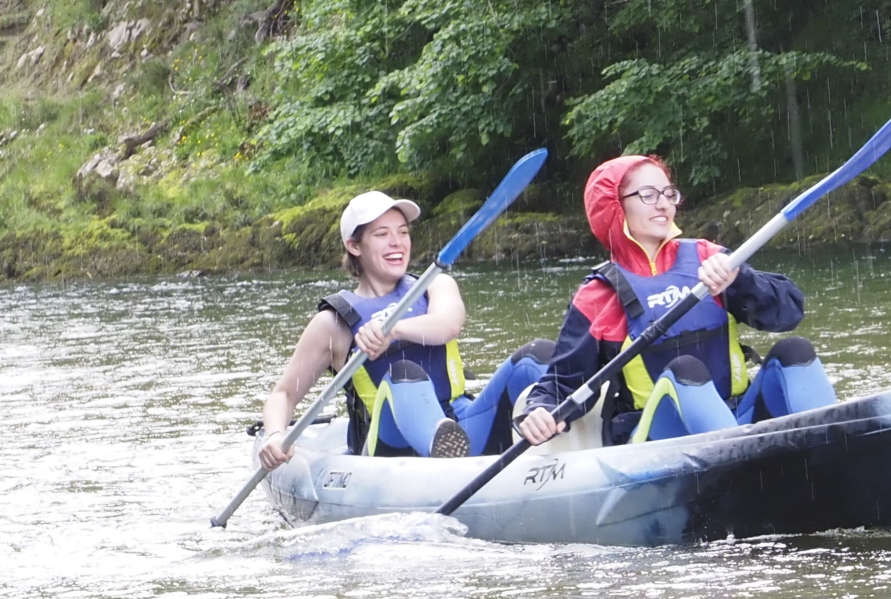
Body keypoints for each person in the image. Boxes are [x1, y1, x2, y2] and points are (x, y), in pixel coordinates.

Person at [516, 154, 834, 447]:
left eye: (669, 194)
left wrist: (740, 280)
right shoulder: (600, 294)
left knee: (796, 351)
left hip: (736, 417)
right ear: (615, 206)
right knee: (685, 371)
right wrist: (539, 411)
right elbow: (562, 383)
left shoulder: (709, 258)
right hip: (657, 437)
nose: (664, 204)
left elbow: (789, 311)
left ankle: (838, 446)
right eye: (648, 195)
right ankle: (740, 464)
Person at [257, 191, 472, 466]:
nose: (397, 243)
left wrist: (392, 330)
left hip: (457, 421)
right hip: (388, 445)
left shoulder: (435, 285)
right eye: (382, 234)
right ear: (354, 246)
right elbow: (283, 395)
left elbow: (448, 325)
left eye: (403, 232)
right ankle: (437, 447)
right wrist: (275, 435)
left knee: (533, 356)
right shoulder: (334, 323)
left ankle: (532, 430)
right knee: (403, 375)